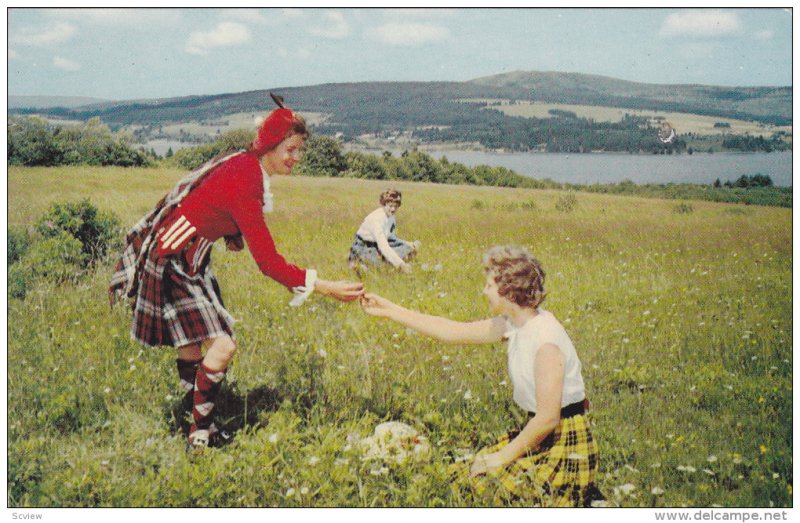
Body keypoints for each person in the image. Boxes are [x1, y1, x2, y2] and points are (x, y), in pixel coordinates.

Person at [109, 97, 364, 451]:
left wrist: (230, 233)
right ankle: (201, 434)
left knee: (192, 346)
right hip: (173, 260)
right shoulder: (247, 180)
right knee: (223, 346)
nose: (295, 158)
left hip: (182, 254)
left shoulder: (242, 163)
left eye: (298, 150)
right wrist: (323, 286)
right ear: (270, 145)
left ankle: (193, 417)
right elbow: (268, 263)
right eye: (290, 149)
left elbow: (208, 197)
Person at [360, 245, 601, 506]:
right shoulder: (515, 323)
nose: (483, 291)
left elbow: (547, 418)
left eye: (489, 285)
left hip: (564, 443)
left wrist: (501, 457)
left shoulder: (545, 341)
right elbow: (451, 331)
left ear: (508, 291)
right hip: (541, 435)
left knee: (482, 488)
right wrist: (390, 309)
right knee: (463, 473)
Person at [348, 189, 420, 273]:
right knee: (382, 267)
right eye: (390, 206)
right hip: (364, 247)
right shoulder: (377, 219)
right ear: (384, 205)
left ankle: (387, 263)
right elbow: (384, 247)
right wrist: (401, 265)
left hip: (376, 245)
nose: (393, 209)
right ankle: (358, 263)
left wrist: (406, 243)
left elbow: (390, 237)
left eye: (396, 206)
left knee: (410, 248)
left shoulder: (391, 216)